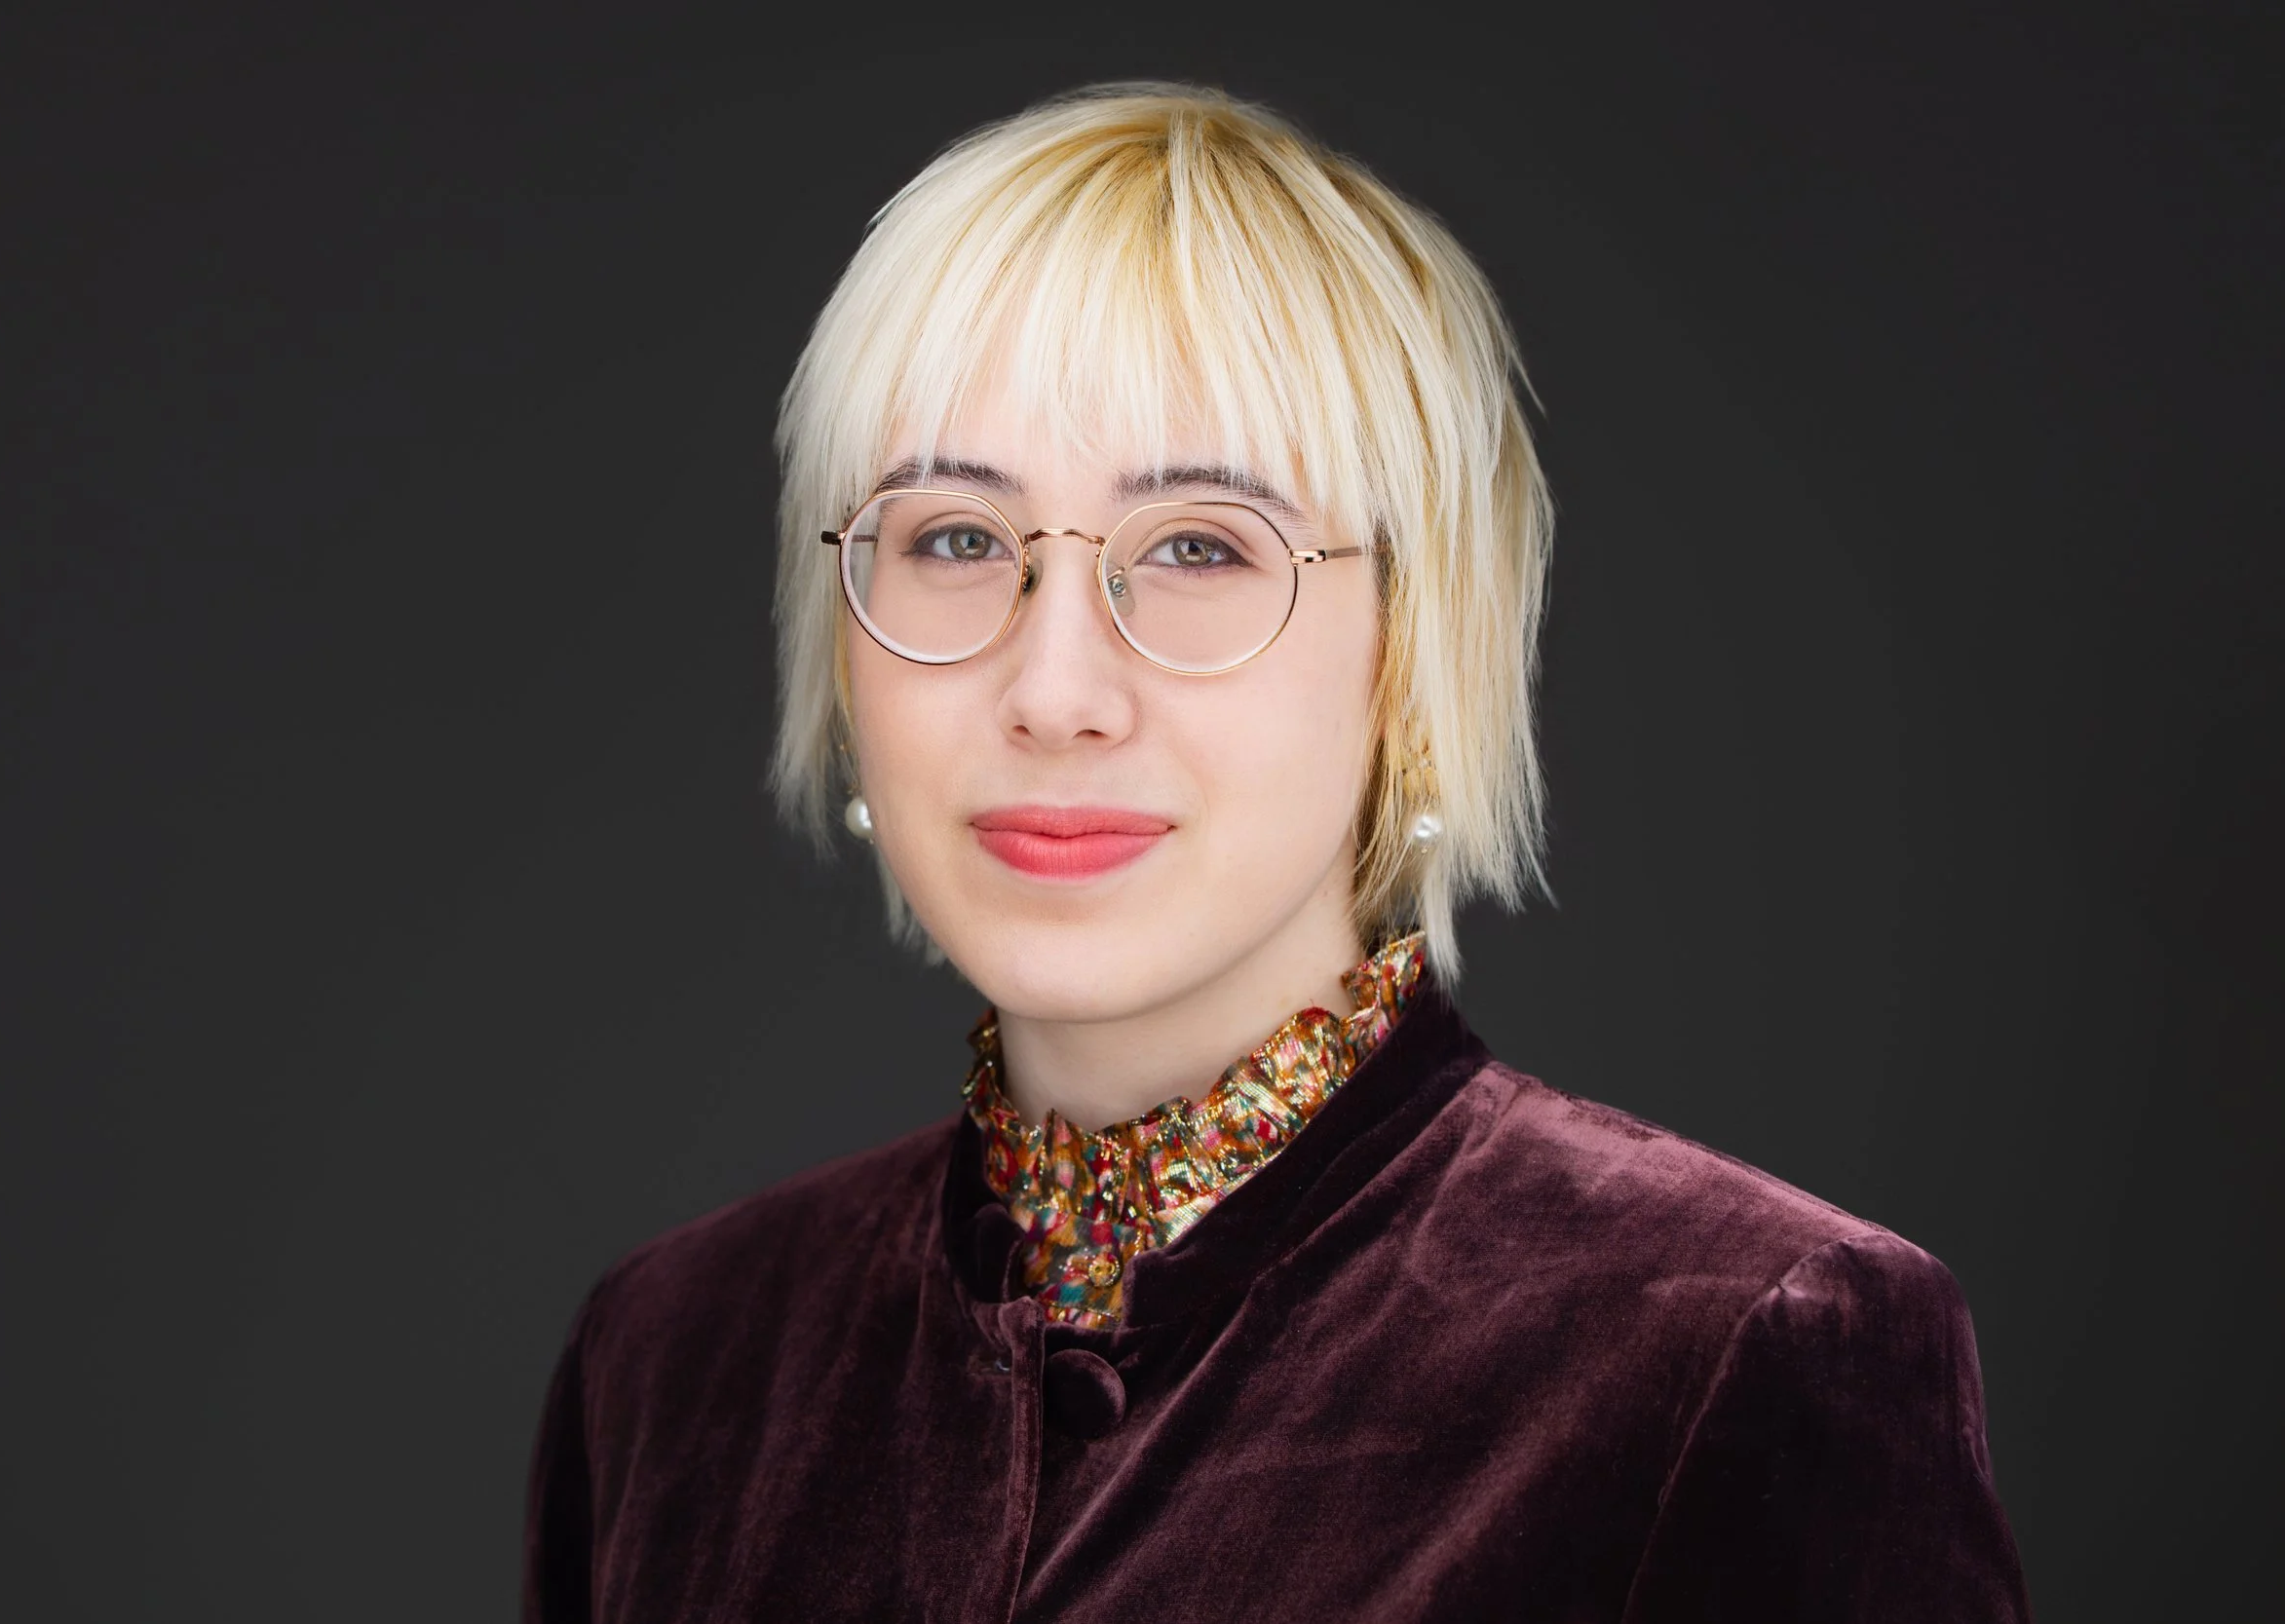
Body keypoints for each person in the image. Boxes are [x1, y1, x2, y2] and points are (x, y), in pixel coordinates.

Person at [522, 83, 2029, 1621]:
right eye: (957, 537)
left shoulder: (1735, 1347)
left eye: (1198, 546)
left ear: (1411, 655)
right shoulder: (674, 1361)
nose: (1054, 692)